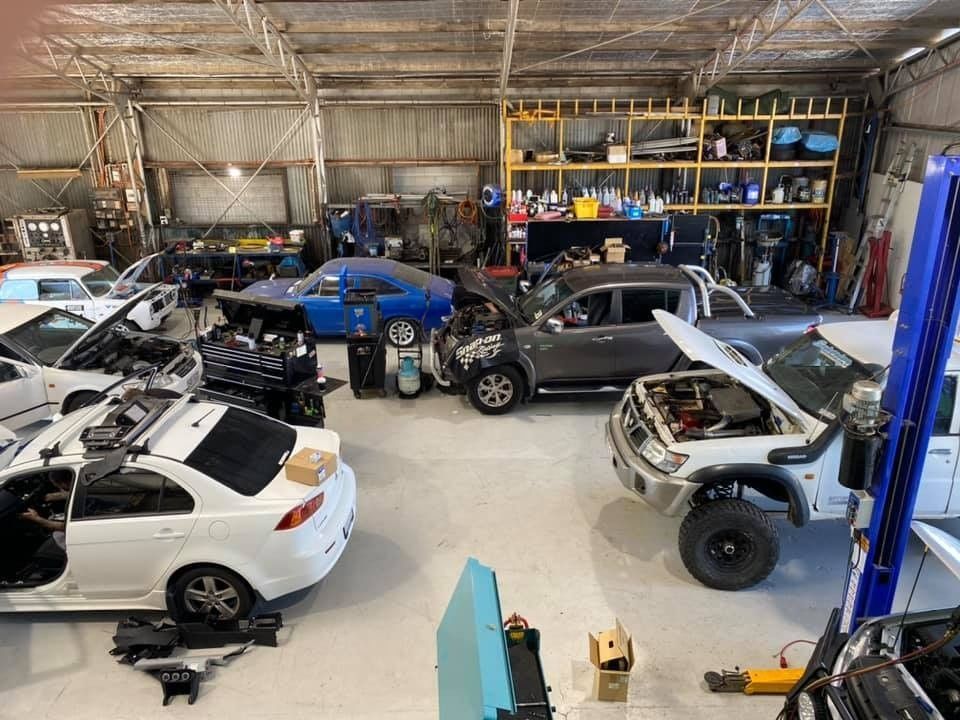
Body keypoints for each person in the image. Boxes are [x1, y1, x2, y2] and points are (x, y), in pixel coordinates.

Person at [20, 469, 73, 557]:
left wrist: (37, 518)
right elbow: (69, 494)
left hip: (70, 539)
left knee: (41, 554)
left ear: (64, 484)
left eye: (58, 487)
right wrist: (57, 496)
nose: (59, 490)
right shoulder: (82, 487)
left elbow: (65, 527)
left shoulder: (83, 500)